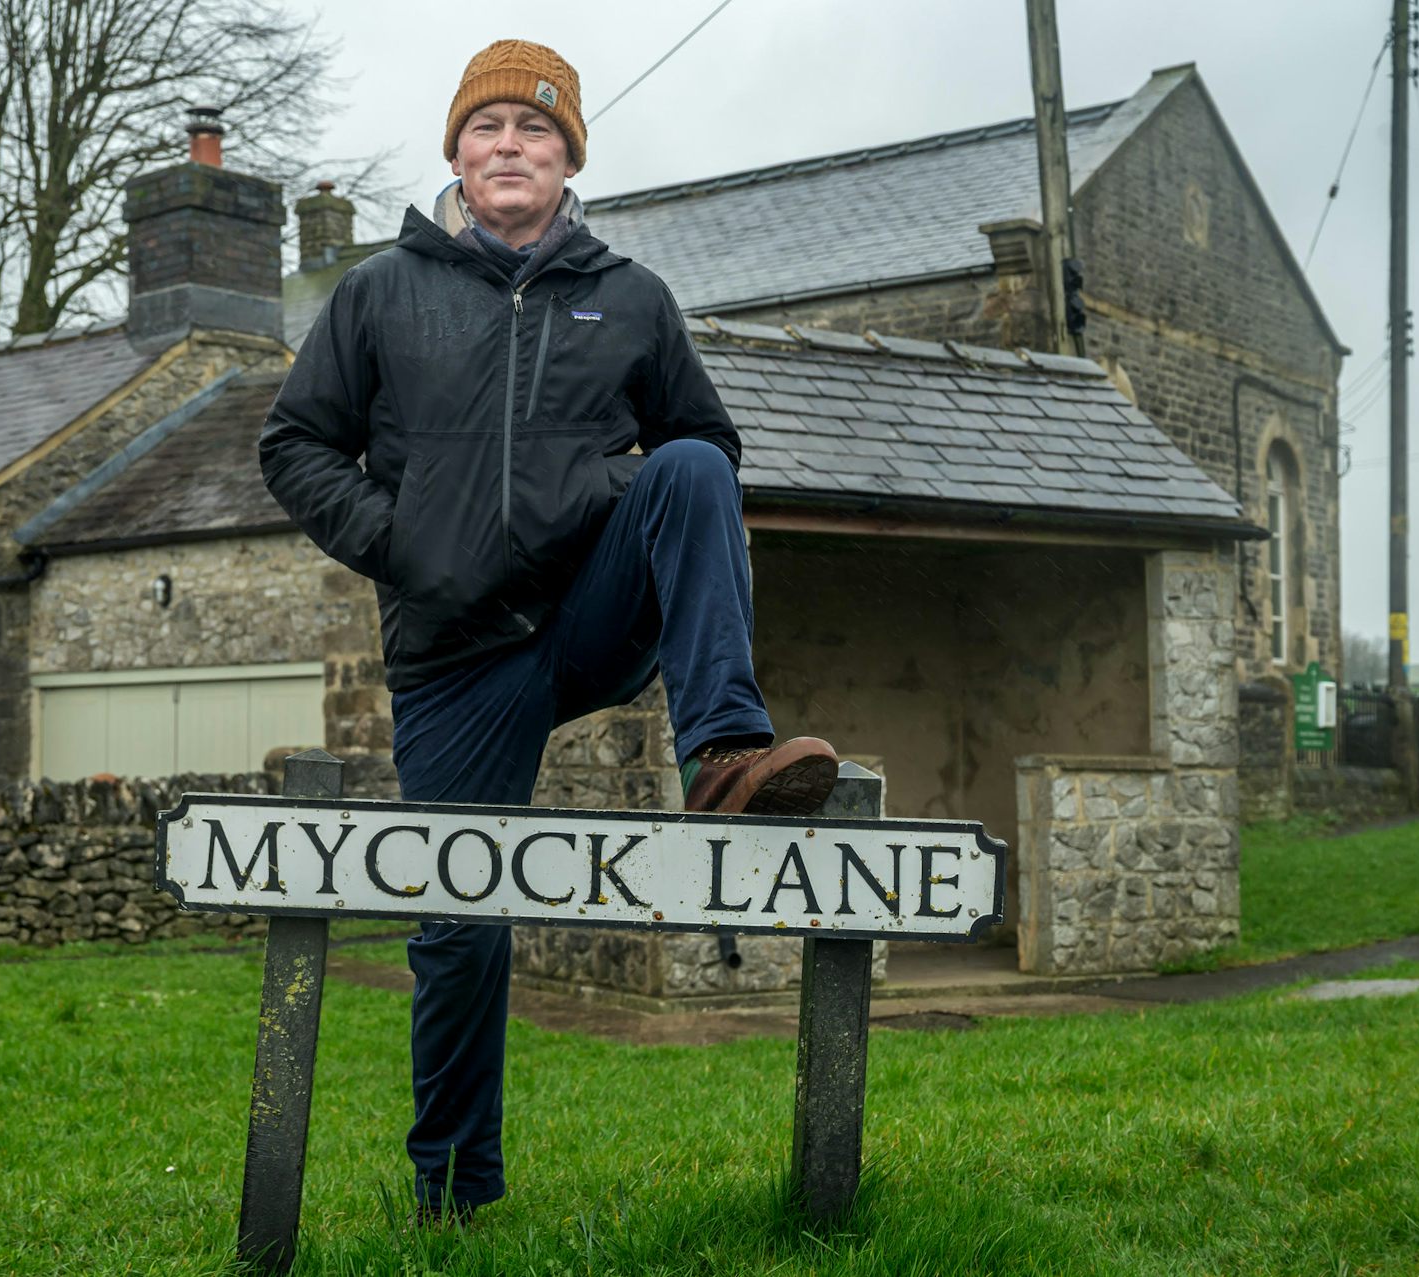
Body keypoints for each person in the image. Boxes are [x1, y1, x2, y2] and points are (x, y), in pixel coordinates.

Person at [259, 38, 838, 1221]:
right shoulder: (381, 292)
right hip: (451, 653)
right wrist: (401, 538)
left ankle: (723, 751)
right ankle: (455, 1193)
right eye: (488, 129)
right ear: (458, 156)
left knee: (682, 468)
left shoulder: (629, 297)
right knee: (460, 928)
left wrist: (604, 496)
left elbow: (708, 454)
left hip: (583, 621)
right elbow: (295, 445)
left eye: (535, 128)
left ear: (570, 152)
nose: (509, 146)